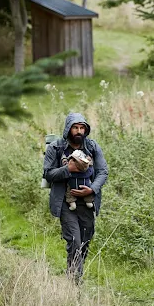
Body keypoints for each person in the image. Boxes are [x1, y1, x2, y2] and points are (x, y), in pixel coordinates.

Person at [43, 113, 109, 283]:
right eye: (75, 128)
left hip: (87, 203)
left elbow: (103, 172)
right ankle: (75, 280)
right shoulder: (56, 148)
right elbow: (48, 173)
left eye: (82, 128)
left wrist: (91, 190)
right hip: (65, 202)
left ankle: (73, 271)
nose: (79, 131)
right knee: (74, 240)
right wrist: (68, 169)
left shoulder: (92, 147)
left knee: (85, 242)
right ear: (68, 129)